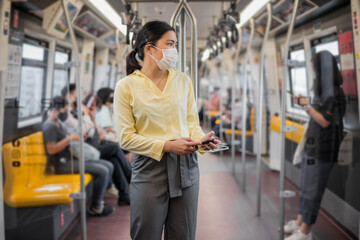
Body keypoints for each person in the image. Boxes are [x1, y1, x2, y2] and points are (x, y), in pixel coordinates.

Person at [114, 21, 219, 240]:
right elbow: (126, 138)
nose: (174, 51)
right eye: (169, 44)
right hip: (150, 169)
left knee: (184, 234)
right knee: (146, 234)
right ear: (149, 48)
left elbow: (192, 123)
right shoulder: (126, 87)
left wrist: (202, 139)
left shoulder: (183, 81)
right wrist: (167, 146)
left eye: (176, 44)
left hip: (186, 167)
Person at [284, 51, 346, 240]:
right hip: (314, 147)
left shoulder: (333, 92)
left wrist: (305, 105)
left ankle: (305, 232)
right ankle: (300, 222)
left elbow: (325, 121)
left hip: (323, 149)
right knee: (306, 187)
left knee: (312, 191)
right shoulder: (323, 90)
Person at [42, 96, 115, 216]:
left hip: (72, 157)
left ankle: (98, 200)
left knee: (109, 165)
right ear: (56, 109)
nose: (66, 114)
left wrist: (77, 137)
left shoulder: (58, 123)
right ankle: (96, 206)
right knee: (103, 170)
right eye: (64, 111)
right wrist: (70, 138)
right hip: (63, 164)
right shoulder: (49, 126)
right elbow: (51, 149)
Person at [82, 94, 132, 205]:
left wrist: (92, 118)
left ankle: (124, 195)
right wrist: (88, 116)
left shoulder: (90, 117)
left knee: (114, 160)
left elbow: (96, 133)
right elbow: (90, 133)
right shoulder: (81, 117)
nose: (94, 110)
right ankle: (131, 176)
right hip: (89, 152)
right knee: (115, 148)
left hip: (94, 149)